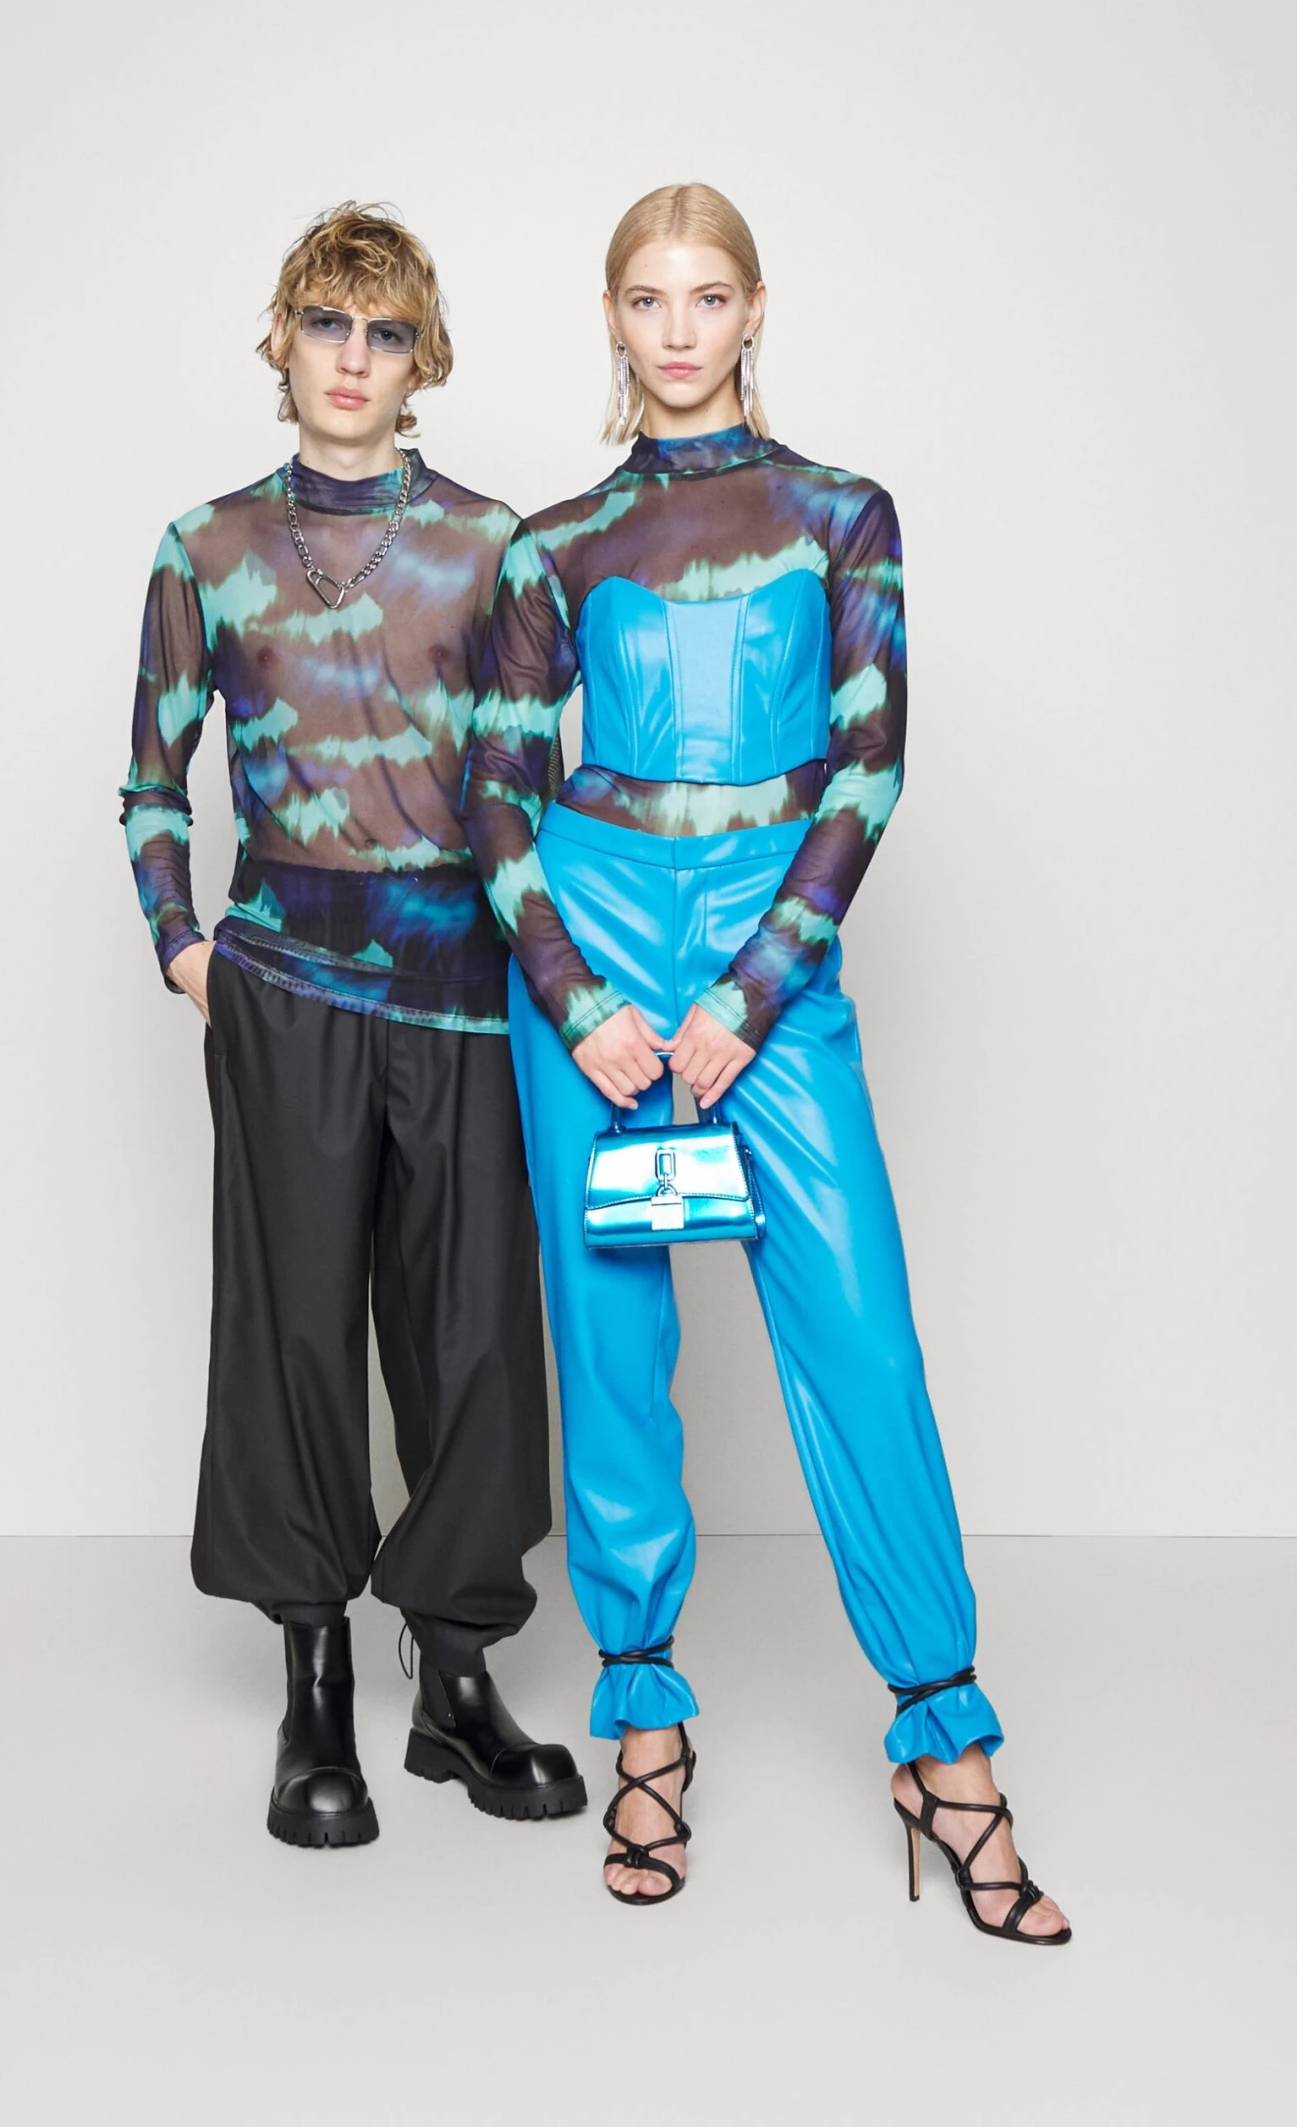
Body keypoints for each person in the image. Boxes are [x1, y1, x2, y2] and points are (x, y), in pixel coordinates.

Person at [463, 182, 1069, 1937]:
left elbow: (869, 768)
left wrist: (751, 993)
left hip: (769, 948)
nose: (678, 329)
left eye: (708, 296)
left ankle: (945, 1740)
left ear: (753, 310)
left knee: (860, 1332)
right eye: (648, 299)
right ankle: (645, 1717)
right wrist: (579, 996)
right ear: (611, 316)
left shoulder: (840, 514)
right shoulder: (556, 543)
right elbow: (496, 792)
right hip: (592, 944)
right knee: (612, 1339)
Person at [120, 201, 585, 1849]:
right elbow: (151, 780)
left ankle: (455, 1673)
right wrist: (186, 950)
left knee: (472, 1336)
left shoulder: (493, 546)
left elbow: (532, 792)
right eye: (328, 324)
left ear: (422, 359)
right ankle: (312, 1675)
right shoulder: (207, 548)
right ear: (282, 340)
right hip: (288, 986)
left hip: (465, 992)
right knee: (295, 1326)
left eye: (386, 334)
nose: (353, 358)